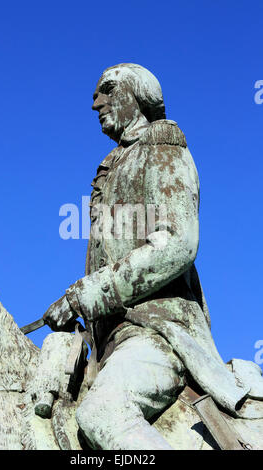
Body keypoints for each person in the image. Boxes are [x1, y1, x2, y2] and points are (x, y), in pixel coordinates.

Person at [42, 64, 249, 450]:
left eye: (107, 90)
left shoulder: (162, 147)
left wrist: (87, 294)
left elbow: (177, 243)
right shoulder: (113, 165)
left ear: (137, 96)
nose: (96, 103)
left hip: (156, 330)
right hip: (110, 343)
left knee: (100, 412)